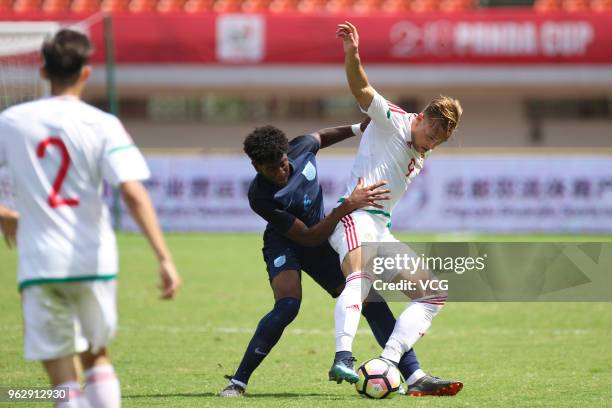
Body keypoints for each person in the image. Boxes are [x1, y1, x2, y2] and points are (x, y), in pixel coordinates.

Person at [0, 29, 181, 408]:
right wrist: (163, 257)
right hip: (94, 260)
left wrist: (6, 214)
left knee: (62, 377)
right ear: (86, 72)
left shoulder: (12, 122)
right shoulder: (102, 123)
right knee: (97, 356)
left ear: (43, 70)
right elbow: (132, 191)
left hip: (40, 262)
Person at [220, 119, 459, 397]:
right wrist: (347, 206)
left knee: (371, 300)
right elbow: (307, 237)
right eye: (272, 169)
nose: (281, 171)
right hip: (286, 244)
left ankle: (415, 375)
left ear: (287, 153)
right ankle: (238, 382)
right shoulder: (259, 196)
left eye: (283, 163)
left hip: (322, 238)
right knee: (287, 306)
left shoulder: (301, 148)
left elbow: (320, 136)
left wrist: (358, 128)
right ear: (256, 168)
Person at [327, 21, 464, 396]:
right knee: (360, 277)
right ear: (419, 119)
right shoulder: (392, 121)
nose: (433, 144)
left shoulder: (418, 151)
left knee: (433, 293)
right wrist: (353, 54)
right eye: (432, 134)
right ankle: (343, 355)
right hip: (355, 217)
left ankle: (389, 361)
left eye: (441, 141)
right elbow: (362, 89)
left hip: (381, 229)